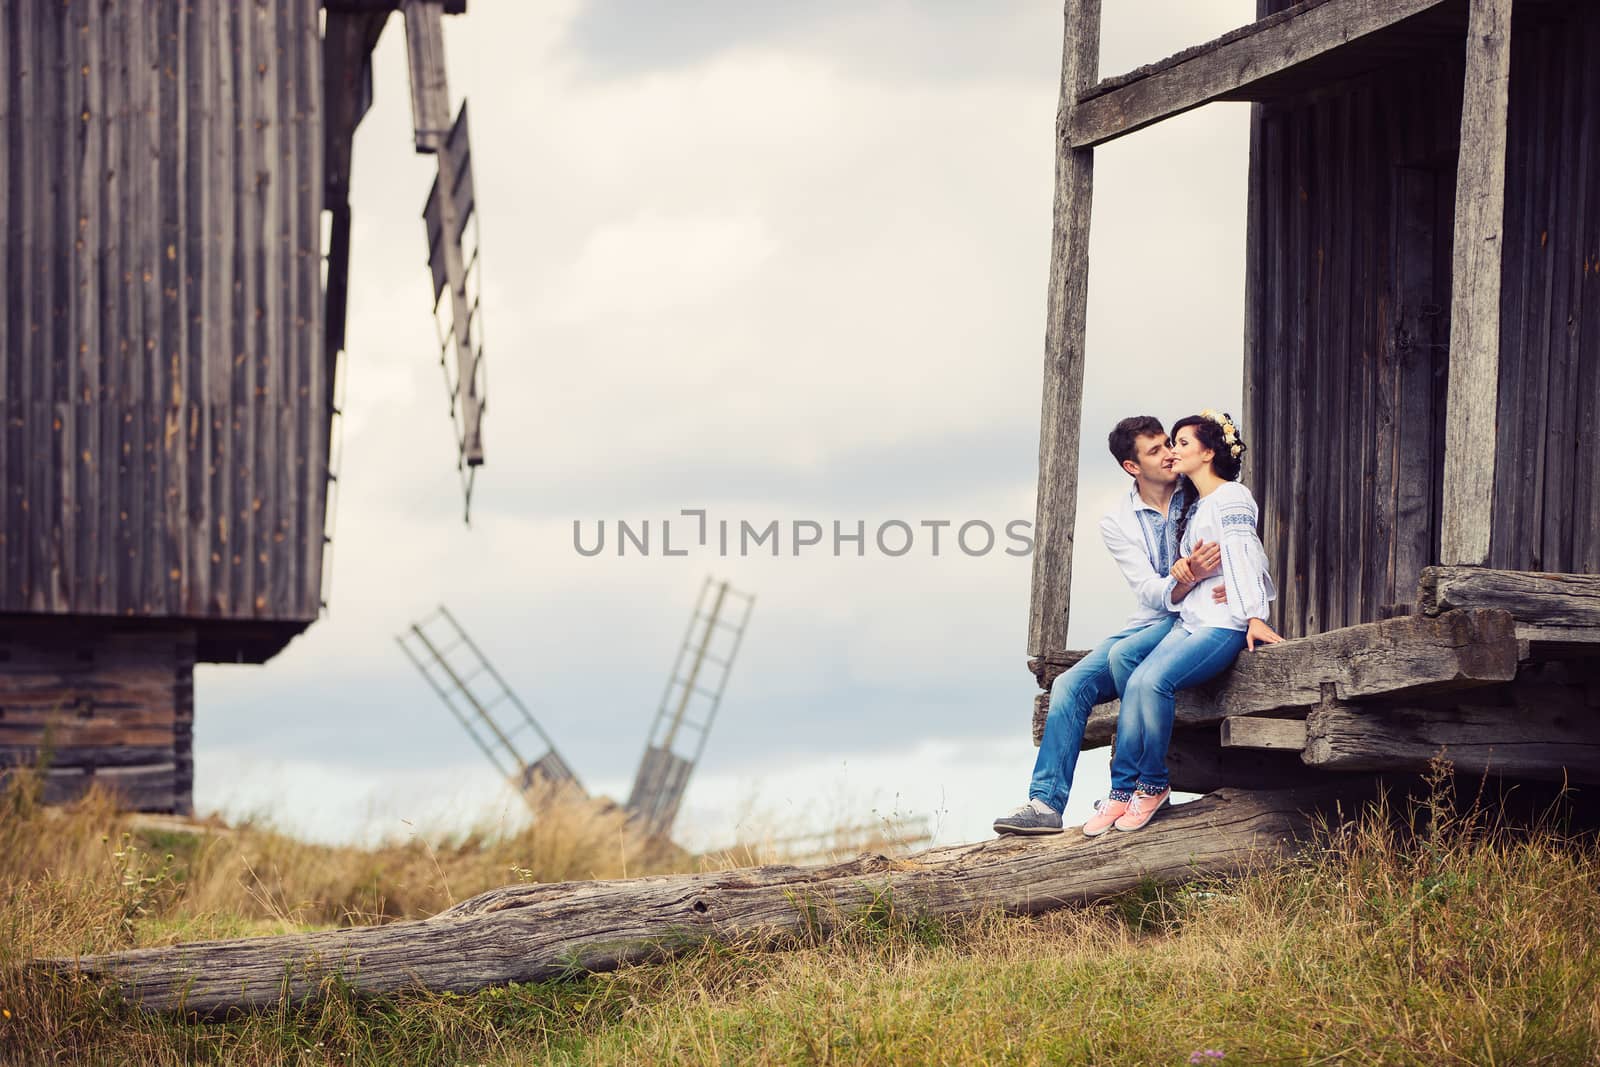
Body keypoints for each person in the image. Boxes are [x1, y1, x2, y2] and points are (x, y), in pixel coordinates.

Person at [993, 415, 1226, 836]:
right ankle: (1045, 802)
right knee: (1068, 685)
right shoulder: (1117, 521)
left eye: (1167, 443)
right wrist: (1185, 576)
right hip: (1156, 615)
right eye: (1155, 450)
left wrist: (1212, 583)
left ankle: (1136, 784)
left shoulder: (1197, 491)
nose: (1169, 453)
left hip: (1194, 618)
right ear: (1131, 467)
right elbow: (1150, 591)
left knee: (1126, 656)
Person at [1081, 409, 1284, 836]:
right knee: (1134, 680)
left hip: (1221, 624)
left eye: (1182, 444)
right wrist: (1195, 572)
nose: (1173, 452)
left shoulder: (1232, 497)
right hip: (1191, 618)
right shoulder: (1196, 504)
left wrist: (1253, 612)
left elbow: (1247, 553)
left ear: (1208, 453)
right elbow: (1207, 564)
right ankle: (1122, 791)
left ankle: (1153, 784)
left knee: (1154, 682)